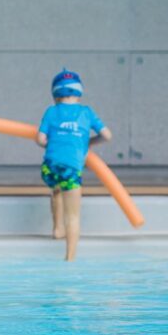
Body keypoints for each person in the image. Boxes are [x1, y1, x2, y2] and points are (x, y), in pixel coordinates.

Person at [35, 69, 112, 261]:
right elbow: (107, 136)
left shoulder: (51, 111)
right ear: (79, 93)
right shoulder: (86, 112)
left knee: (56, 189)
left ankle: (57, 229)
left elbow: (40, 139)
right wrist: (88, 143)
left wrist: (54, 141)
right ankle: (70, 259)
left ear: (54, 95)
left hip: (49, 167)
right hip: (71, 168)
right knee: (74, 216)